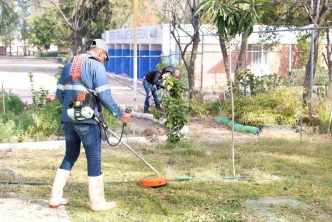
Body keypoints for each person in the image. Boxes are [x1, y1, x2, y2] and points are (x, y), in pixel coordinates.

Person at [49, 39, 130, 211]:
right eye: (104, 58)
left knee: (70, 155)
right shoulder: (96, 66)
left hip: (68, 118)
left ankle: (55, 198)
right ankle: (97, 203)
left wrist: (72, 109)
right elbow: (105, 96)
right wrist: (119, 114)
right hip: (87, 120)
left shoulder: (70, 62)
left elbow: (60, 94)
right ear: (101, 53)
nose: (103, 62)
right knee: (93, 157)